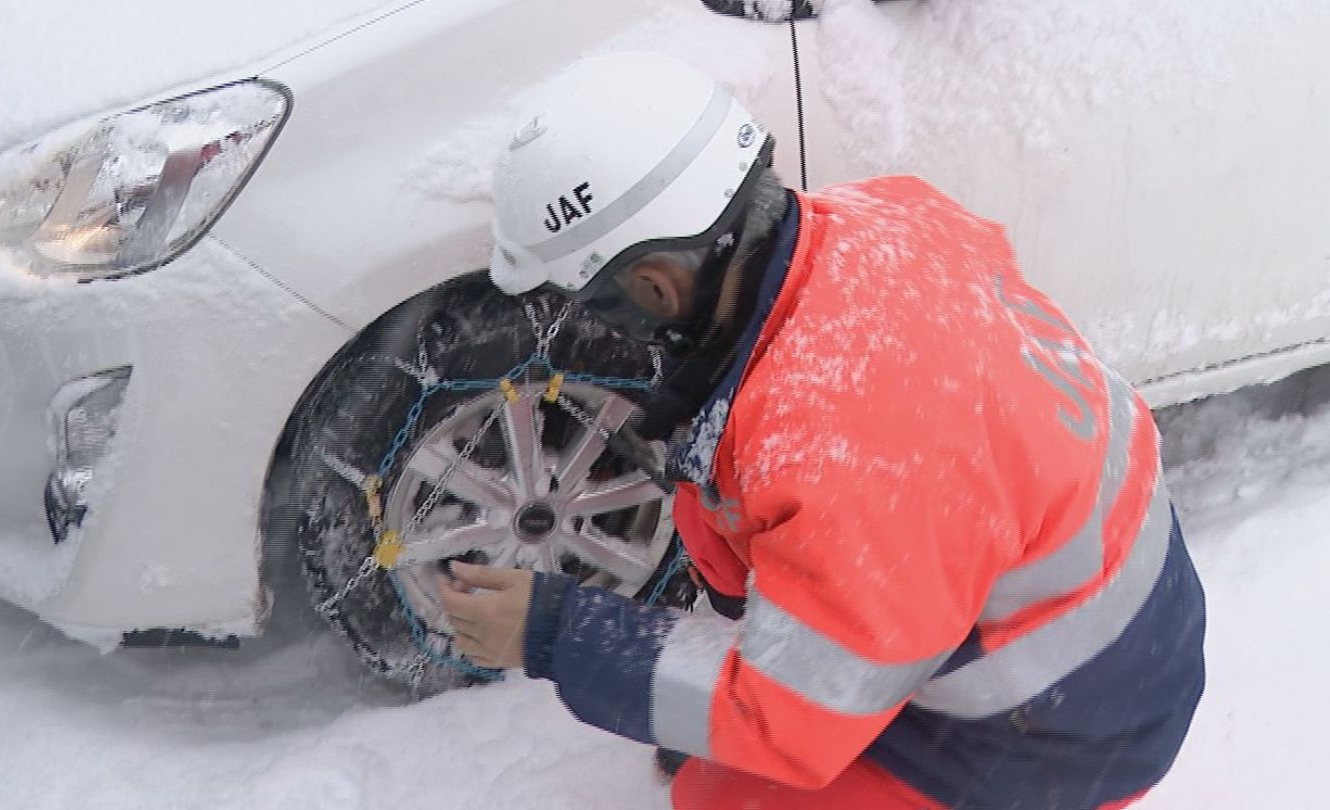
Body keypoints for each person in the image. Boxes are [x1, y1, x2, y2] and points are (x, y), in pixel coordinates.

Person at [438, 52, 1206, 809]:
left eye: (599, 304)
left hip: (1063, 731)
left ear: (654, 286)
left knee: (730, 796)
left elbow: (783, 715)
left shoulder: (845, 447)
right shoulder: (879, 219)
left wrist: (556, 634)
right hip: (1087, 632)